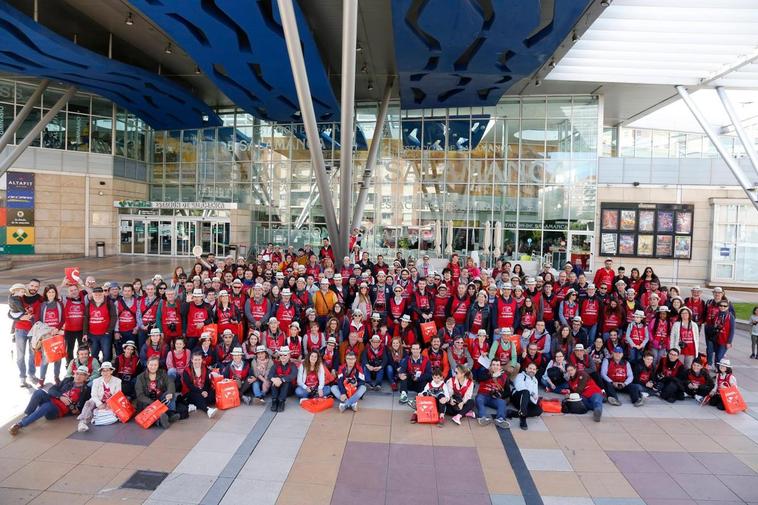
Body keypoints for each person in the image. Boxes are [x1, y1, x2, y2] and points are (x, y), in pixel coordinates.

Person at [9, 365, 91, 435]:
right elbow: (52, 389)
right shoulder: (68, 380)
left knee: (46, 406)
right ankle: (28, 415)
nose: (78, 376)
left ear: (86, 377)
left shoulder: (86, 390)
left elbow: (83, 407)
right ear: (74, 374)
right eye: (77, 374)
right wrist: (60, 396)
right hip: (53, 399)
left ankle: (20, 424)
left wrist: (75, 410)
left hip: (57, 410)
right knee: (39, 392)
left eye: (82, 375)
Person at [135, 355, 182, 429]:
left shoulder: (162, 373)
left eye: (155, 365)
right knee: (151, 414)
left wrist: (170, 392)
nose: (153, 367)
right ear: (147, 365)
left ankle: (170, 413)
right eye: (151, 365)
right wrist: (153, 403)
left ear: (158, 365)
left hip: (160, 400)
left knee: (171, 394)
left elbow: (170, 383)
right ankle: (162, 420)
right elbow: (140, 395)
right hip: (147, 402)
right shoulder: (140, 377)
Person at [77, 361, 122, 432]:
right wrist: (99, 404)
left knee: (121, 403)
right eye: (103, 371)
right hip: (99, 400)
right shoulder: (96, 381)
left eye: (107, 370)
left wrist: (109, 404)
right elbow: (93, 395)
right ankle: (82, 422)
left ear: (111, 371)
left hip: (111, 401)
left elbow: (117, 394)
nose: (105, 373)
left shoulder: (117, 381)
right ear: (101, 372)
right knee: (89, 403)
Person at [83, 287, 117, 363]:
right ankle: (96, 371)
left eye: (99, 295)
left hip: (105, 334)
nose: (97, 296)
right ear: (93, 295)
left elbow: (114, 317)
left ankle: (106, 370)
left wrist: (109, 330)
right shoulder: (89, 304)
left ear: (103, 294)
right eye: (96, 295)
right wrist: (85, 333)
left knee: (107, 354)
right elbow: (86, 319)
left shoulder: (109, 303)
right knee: (94, 354)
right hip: (92, 334)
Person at [475, 359, 510, 428]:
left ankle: (500, 419)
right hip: (483, 395)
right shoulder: (485, 372)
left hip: (494, 398)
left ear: (500, 367)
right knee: (479, 399)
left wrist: (500, 394)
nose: (495, 367)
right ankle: (482, 417)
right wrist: (493, 375)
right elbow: (480, 378)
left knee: (502, 402)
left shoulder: (504, 376)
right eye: (493, 365)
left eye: (497, 365)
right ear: (490, 366)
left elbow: (508, 391)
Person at [181, 352, 217, 418]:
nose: (197, 361)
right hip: (190, 392)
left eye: (199, 359)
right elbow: (190, 386)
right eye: (195, 360)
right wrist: (201, 392)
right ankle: (207, 410)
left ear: (201, 360)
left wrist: (205, 391)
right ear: (192, 360)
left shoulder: (205, 369)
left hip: (202, 390)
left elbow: (207, 383)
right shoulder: (186, 370)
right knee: (198, 396)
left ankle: (194, 405)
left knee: (211, 395)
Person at [510, 362, 543, 430]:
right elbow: (520, 387)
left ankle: (515, 413)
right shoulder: (521, 376)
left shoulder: (535, 380)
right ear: (526, 369)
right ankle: (523, 418)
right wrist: (532, 394)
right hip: (517, 397)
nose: (532, 370)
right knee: (526, 392)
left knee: (539, 410)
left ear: (536, 371)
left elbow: (535, 394)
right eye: (530, 368)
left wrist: (533, 403)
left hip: (526, 401)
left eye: (534, 369)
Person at [268, 346, 297, 411]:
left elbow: (293, 376)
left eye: (285, 355)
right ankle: (274, 401)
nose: (283, 356)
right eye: (281, 355)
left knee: (286, 381)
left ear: (289, 355)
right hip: (277, 388)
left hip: (288, 390)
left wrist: (281, 379)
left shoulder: (293, 365)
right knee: (274, 380)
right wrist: (275, 380)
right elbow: (270, 375)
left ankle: (281, 401)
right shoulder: (276, 365)